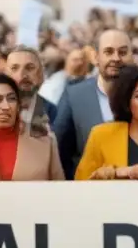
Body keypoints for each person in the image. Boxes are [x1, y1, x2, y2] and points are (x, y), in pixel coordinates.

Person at [54, 29, 131, 178]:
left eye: (122, 52)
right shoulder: (74, 95)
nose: (116, 58)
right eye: (108, 52)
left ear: (131, 57)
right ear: (96, 58)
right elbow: (60, 151)